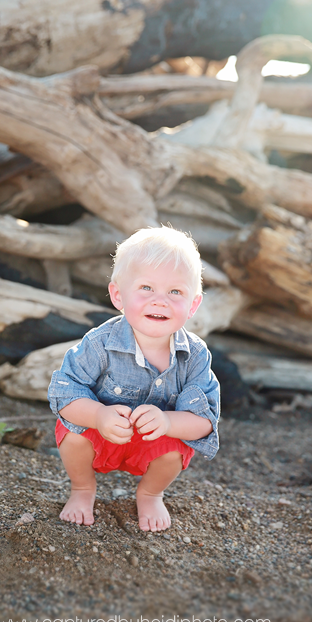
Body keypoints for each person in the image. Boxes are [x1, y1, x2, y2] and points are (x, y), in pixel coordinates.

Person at [48, 227, 220, 531]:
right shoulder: (99, 343)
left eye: (175, 292)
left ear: (193, 304)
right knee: (72, 433)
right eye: (146, 288)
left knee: (174, 450)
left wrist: (168, 423)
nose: (160, 301)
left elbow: (205, 420)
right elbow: (65, 395)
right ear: (118, 295)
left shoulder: (194, 355)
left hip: (152, 443)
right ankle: (82, 490)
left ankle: (151, 494)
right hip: (103, 434)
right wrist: (99, 415)